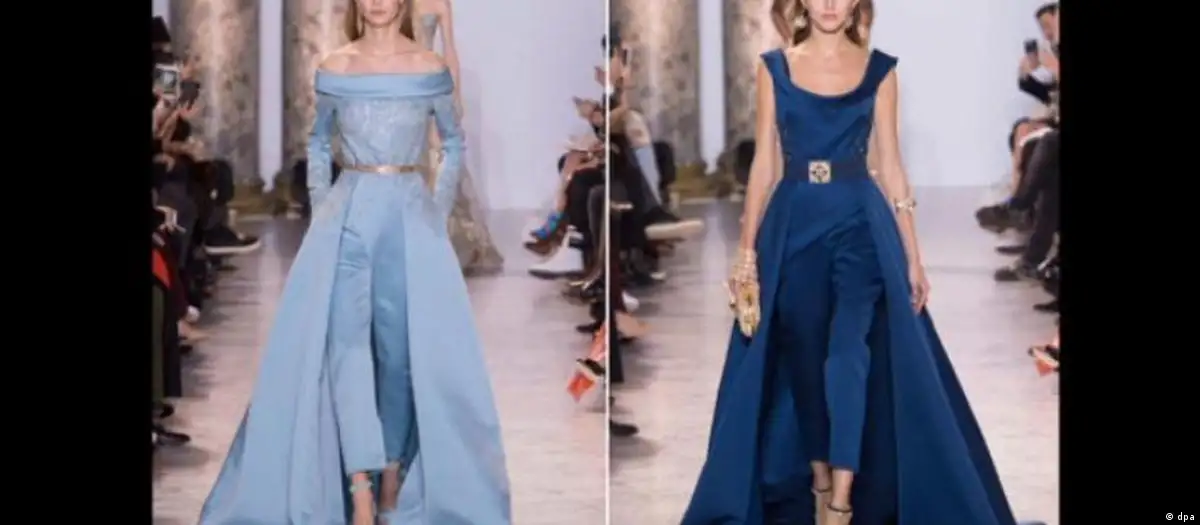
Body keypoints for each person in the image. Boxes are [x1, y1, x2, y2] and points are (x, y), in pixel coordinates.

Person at [682, 1, 1025, 524]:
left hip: (860, 225)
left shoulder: (879, 71)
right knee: (803, 358)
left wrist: (913, 255)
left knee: (847, 354)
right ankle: (820, 481)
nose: (828, 4)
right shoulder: (775, 68)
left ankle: (841, 503)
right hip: (794, 223)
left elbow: (891, 165)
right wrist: (746, 251)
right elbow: (765, 163)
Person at [198, 1, 511, 524]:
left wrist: (434, 214)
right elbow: (319, 145)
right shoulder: (336, 68)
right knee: (345, 350)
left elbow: (454, 144)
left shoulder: (427, 68)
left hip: (409, 221)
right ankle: (360, 484)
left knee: (400, 355)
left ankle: (392, 470)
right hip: (348, 219)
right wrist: (325, 209)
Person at [413, 0, 504, 273]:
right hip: (398, 87)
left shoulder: (440, 3)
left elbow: (449, 51)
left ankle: (437, 243)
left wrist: (456, 96)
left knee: (437, 160)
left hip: (429, 87)